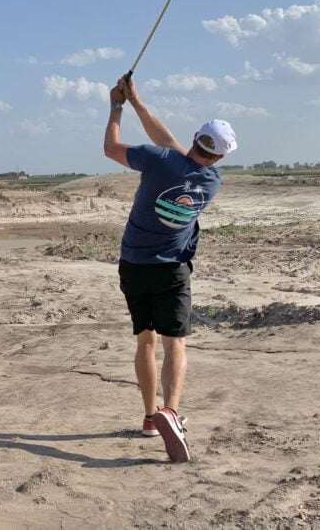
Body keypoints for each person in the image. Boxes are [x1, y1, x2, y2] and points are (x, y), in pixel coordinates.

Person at [102, 76, 237, 462]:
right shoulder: (211, 181)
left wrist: (118, 106)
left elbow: (112, 148)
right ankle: (171, 413)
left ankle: (150, 417)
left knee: (145, 341)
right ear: (221, 157)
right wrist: (137, 102)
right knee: (173, 343)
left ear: (196, 138)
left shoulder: (160, 160)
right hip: (172, 270)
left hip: (133, 265)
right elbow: (172, 147)